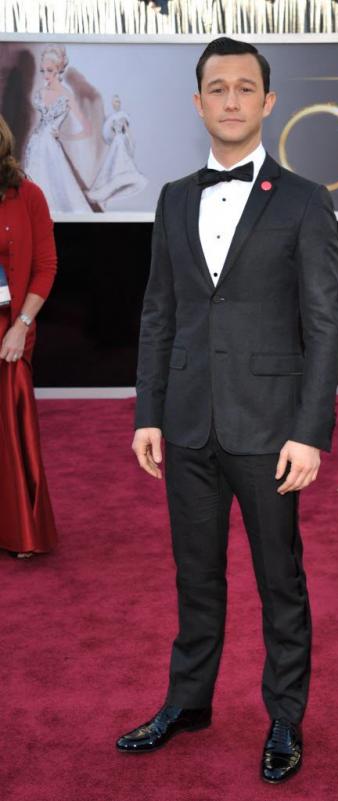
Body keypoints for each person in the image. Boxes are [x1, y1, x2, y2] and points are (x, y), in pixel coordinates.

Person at [116, 37, 338, 784]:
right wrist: (148, 410)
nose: (233, 100)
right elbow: (159, 310)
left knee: (281, 579)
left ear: (268, 102)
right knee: (195, 576)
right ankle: (188, 702)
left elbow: (324, 322)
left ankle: (284, 715)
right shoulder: (175, 196)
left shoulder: (307, 199)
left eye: (247, 87)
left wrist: (310, 432)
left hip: (270, 427)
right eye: (218, 88)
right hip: (184, 423)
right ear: (198, 102)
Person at [0, 114, 58, 558]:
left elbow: (45, 266)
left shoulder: (28, 194)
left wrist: (21, 325)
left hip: (9, 328)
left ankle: (20, 530)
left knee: (12, 429)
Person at [24, 44, 93, 213]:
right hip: (35, 145)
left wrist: (64, 136)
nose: (46, 75)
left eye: (50, 70)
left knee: (56, 191)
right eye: (43, 71)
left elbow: (87, 129)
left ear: (58, 70)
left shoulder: (66, 95)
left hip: (51, 148)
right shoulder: (40, 92)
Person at [87, 94, 148, 207]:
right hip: (116, 142)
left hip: (120, 141)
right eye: (115, 102)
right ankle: (106, 194)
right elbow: (108, 133)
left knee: (120, 161)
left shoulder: (122, 116)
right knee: (111, 163)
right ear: (112, 104)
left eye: (118, 102)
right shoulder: (111, 118)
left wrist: (130, 140)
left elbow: (127, 131)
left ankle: (120, 180)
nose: (116, 104)